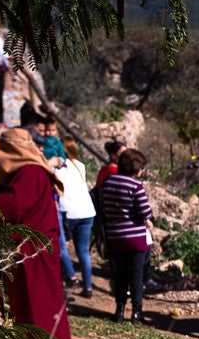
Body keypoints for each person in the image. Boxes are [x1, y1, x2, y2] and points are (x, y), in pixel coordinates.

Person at [0, 128, 72, 339]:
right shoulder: (30, 172)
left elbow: (14, 203)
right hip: (37, 245)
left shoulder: (30, 172)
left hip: (34, 247)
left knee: (38, 300)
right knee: (39, 298)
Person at [100, 149, 153, 324]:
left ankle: (119, 310)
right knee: (136, 275)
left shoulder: (107, 182)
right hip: (135, 238)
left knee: (120, 275)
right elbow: (145, 212)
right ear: (137, 169)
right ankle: (137, 313)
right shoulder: (135, 186)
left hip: (114, 236)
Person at [57, 138, 98, 298]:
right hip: (87, 211)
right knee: (83, 251)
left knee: (61, 246)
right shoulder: (80, 165)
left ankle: (71, 275)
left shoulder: (57, 168)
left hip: (67, 211)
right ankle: (88, 287)